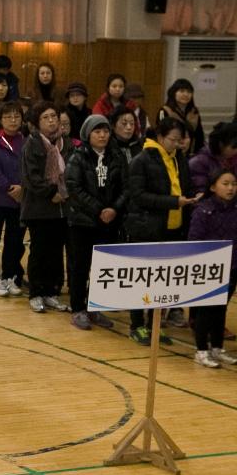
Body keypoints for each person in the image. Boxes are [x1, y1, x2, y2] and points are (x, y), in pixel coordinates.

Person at [125, 119, 200, 345]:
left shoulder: (179, 159)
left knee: (163, 282)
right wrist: (174, 202)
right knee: (143, 280)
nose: (176, 144)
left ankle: (155, 325)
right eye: (172, 140)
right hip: (147, 228)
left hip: (173, 227)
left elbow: (185, 186)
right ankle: (137, 325)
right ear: (160, 137)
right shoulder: (142, 160)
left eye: (180, 140)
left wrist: (194, 197)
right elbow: (138, 196)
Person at [65, 115, 125, 330]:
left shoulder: (116, 156)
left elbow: (125, 187)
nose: (102, 135)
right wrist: (99, 209)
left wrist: (114, 209)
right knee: (80, 266)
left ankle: (94, 307)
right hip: (82, 221)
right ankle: (77, 309)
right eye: (97, 131)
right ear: (87, 134)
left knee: (102, 268)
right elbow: (74, 187)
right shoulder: (78, 157)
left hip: (109, 221)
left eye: (105, 131)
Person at [19, 103, 72, 313]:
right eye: (46, 117)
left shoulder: (66, 143)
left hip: (63, 208)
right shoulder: (32, 144)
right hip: (39, 208)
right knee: (39, 251)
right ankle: (36, 292)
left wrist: (66, 192)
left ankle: (52, 291)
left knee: (56, 252)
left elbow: (72, 171)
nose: (51, 121)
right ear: (37, 124)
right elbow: (31, 177)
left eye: (54, 116)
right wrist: (52, 192)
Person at [188, 169, 237, 367]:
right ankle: (201, 350)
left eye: (233, 184)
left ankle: (217, 348)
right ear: (212, 186)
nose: (231, 188)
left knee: (220, 310)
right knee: (205, 311)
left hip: (232, 267)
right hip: (209, 268)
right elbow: (194, 240)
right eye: (225, 183)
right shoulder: (203, 210)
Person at [0, 101, 27, 298]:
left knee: (15, 241)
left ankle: (10, 276)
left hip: (19, 200)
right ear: (0, 120)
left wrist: (23, 188)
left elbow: (30, 169)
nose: (12, 120)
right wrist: (10, 188)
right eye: (8, 117)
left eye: (16, 116)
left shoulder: (25, 141)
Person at [158, 79, 205, 157]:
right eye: (182, 91)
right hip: (171, 153)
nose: (186, 94)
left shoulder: (194, 112)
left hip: (192, 154)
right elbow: (161, 133)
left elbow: (199, 134)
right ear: (174, 93)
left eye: (189, 92)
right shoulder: (164, 110)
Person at [189, 122, 237, 193]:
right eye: (234, 147)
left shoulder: (232, 159)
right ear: (221, 144)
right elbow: (201, 192)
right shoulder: (199, 163)